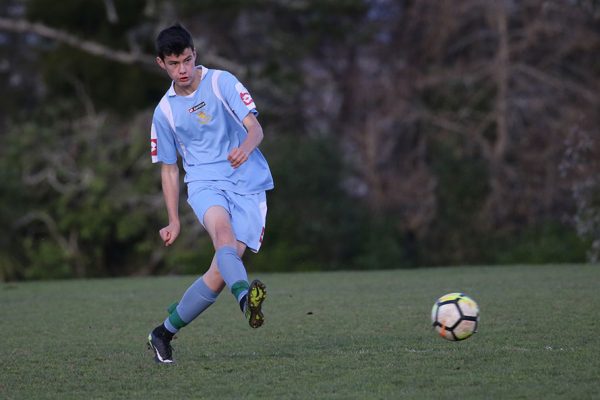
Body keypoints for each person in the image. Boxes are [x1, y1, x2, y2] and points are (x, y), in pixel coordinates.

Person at [146, 24, 274, 364]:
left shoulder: (222, 82)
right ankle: (247, 301)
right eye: (174, 64)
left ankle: (162, 333)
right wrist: (173, 219)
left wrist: (246, 147)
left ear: (195, 54)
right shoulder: (165, 112)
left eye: (187, 60)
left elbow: (255, 128)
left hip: (247, 183)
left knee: (219, 273)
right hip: (204, 184)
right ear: (162, 64)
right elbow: (170, 169)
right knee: (223, 238)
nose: (183, 70)